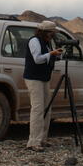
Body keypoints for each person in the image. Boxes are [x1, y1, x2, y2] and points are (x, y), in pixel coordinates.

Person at [23, 20, 63, 152]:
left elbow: (46, 58)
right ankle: (33, 141)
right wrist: (51, 54)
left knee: (46, 107)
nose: (53, 35)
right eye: (52, 32)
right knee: (38, 108)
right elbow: (37, 59)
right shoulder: (34, 41)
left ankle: (42, 139)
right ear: (46, 32)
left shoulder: (47, 43)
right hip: (34, 78)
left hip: (44, 78)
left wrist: (56, 55)